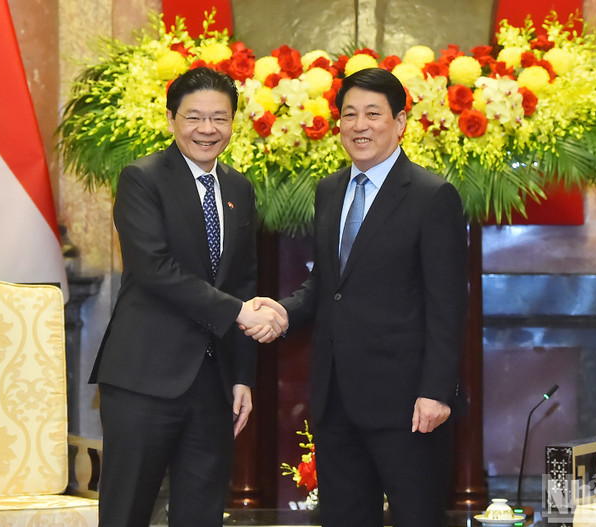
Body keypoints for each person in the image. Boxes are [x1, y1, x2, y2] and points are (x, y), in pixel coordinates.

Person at [249, 67, 468, 527]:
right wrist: (283, 313)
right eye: (349, 114)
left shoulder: (432, 196)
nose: (359, 125)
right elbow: (330, 285)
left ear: (400, 122)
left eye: (373, 113)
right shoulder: (330, 190)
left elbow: (448, 304)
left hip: (409, 403)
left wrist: (435, 392)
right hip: (336, 399)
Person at [89, 67, 287, 527]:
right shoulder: (142, 179)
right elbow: (155, 269)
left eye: (219, 118)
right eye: (194, 117)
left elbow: (243, 280)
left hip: (212, 383)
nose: (207, 129)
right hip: (144, 378)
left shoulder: (239, 187)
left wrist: (242, 376)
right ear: (172, 119)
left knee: (202, 512)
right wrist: (240, 312)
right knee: (126, 511)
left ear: (233, 123)